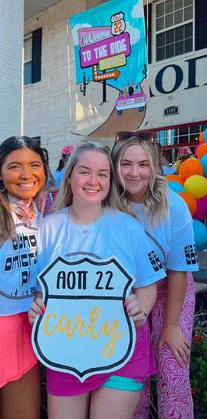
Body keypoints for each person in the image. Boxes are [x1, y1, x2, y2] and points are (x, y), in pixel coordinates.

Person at [29, 141, 166, 419]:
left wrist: (141, 310)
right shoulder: (48, 228)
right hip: (65, 352)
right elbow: (40, 290)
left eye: (102, 173)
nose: (94, 181)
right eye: (84, 171)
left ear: (110, 180)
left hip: (121, 349)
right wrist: (37, 308)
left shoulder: (128, 226)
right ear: (69, 176)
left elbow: (147, 284)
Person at [111, 135, 199, 419]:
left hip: (171, 289)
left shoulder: (173, 205)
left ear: (154, 167)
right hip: (128, 294)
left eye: (143, 164)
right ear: (114, 167)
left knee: (172, 362)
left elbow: (178, 271)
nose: (134, 172)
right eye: (126, 164)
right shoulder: (108, 204)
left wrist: (172, 326)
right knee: (132, 370)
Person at [0, 136, 48, 419]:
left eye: (34, 165)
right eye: (15, 166)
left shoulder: (39, 214)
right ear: (0, 174)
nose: (27, 175)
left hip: (24, 332)